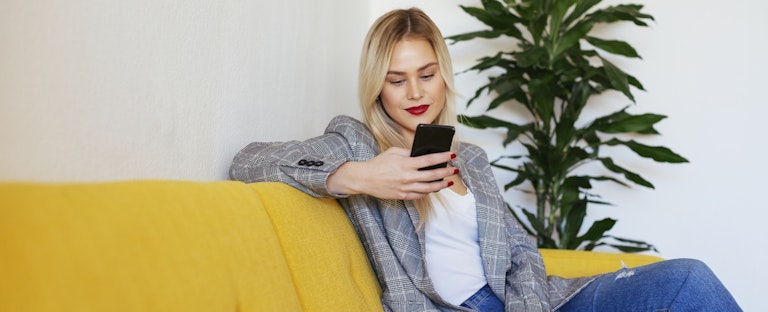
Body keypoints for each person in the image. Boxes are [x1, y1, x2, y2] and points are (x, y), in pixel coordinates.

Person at [230, 7, 741, 312]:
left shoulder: (468, 158)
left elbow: (520, 253)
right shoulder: (358, 144)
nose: (414, 92)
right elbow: (248, 161)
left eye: (426, 74)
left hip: (530, 302)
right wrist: (360, 176)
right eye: (396, 78)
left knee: (686, 281)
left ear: (443, 74)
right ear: (376, 86)